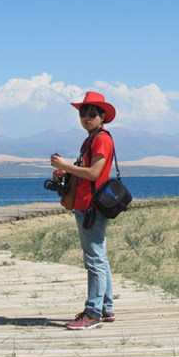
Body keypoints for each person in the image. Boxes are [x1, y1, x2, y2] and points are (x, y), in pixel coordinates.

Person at [49, 91, 117, 330]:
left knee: (95, 261)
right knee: (100, 257)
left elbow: (94, 173)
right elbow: (86, 171)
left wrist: (66, 166)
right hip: (86, 203)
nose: (87, 117)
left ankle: (92, 314)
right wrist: (68, 170)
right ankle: (106, 308)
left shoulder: (101, 140)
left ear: (102, 117)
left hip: (91, 206)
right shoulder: (91, 139)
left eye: (92, 113)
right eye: (83, 113)